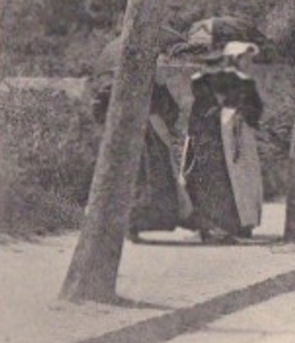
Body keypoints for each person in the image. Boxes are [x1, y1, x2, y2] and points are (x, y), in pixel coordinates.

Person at [182, 41, 264, 243]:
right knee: (219, 177)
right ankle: (218, 223)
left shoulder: (242, 81)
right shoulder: (211, 80)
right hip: (216, 136)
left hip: (238, 136)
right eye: (245, 58)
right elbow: (200, 109)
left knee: (242, 177)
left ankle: (240, 222)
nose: (248, 62)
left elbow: (254, 109)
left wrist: (243, 116)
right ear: (234, 59)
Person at [93, 75, 189, 240]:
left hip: (154, 138)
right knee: (136, 181)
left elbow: (172, 111)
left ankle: (137, 225)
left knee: (152, 181)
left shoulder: (157, 86)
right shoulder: (118, 82)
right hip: (131, 139)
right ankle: (129, 226)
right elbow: (99, 110)